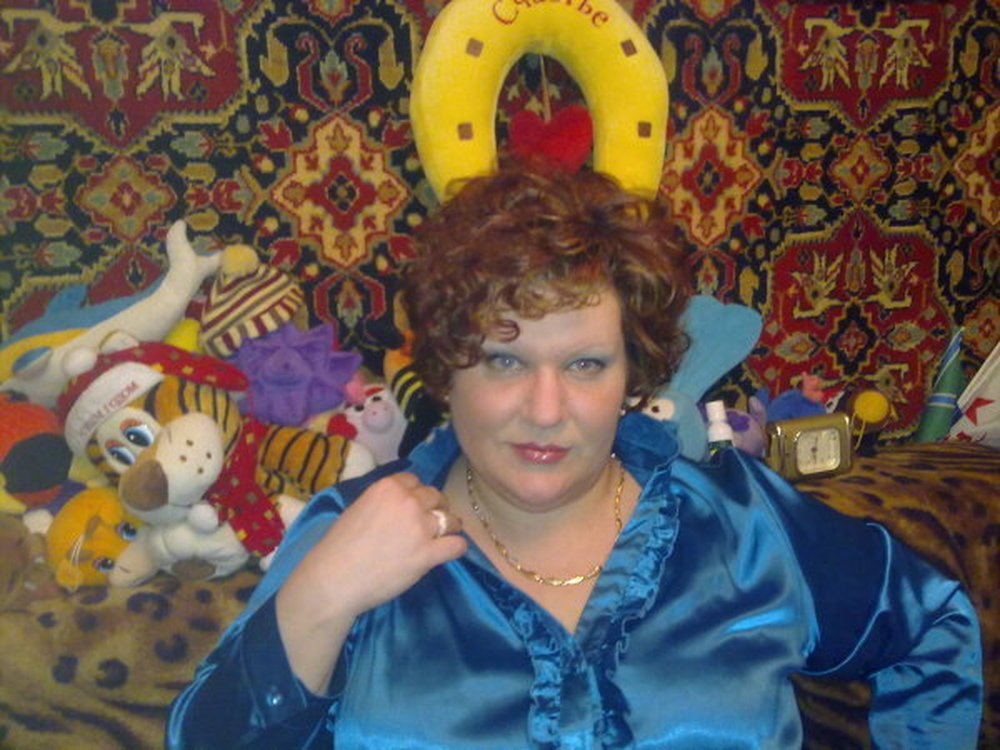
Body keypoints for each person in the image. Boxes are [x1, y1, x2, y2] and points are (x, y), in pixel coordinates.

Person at [166, 162, 982, 749]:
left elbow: (932, 623)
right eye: (505, 360)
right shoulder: (352, 530)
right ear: (445, 368)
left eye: (586, 364)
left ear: (634, 374)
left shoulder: (742, 526)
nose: (547, 410)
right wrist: (320, 599)